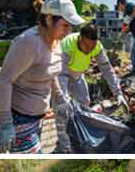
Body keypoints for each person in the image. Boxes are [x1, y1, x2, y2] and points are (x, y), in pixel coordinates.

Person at [0, 0, 84, 154]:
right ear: (49, 19)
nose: (69, 31)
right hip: (17, 118)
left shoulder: (56, 41)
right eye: (65, 25)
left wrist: (60, 98)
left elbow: (51, 73)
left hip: (36, 117)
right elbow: (4, 80)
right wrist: (6, 123)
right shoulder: (28, 43)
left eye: (71, 26)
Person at [54, 23, 128, 153]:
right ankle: (64, 146)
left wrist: (118, 93)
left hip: (77, 76)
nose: (89, 50)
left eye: (92, 46)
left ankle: (81, 135)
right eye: (86, 46)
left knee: (85, 105)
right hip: (61, 76)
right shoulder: (67, 46)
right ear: (80, 39)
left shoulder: (96, 47)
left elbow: (106, 69)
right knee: (62, 111)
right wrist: (63, 98)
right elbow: (62, 75)